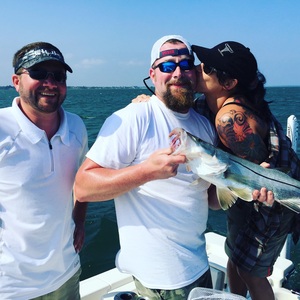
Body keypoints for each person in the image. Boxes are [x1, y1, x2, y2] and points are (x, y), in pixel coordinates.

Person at [75, 35, 220, 299]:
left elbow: (210, 199)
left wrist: (249, 193)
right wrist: (147, 171)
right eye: (167, 66)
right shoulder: (133, 118)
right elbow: (83, 187)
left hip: (199, 265)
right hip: (160, 278)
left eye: (186, 64)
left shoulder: (205, 126)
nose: (178, 72)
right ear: (153, 74)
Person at [191, 41, 300, 300]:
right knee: (234, 256)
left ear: (228, 84)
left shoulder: (229, 119)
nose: (196, 68)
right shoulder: (211, 103)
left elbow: (257, 181)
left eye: (205, 67)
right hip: (246, 198)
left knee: (253, 273)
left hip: (275, 200)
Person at [0, 42, 88, 299]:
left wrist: (80, 219)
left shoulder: (77, 126)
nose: (50, 83)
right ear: (16, 80)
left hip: (66, 274)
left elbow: (82, 180)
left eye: (58, 76)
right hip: (11, 285)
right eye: (38, 73)